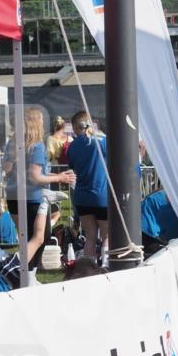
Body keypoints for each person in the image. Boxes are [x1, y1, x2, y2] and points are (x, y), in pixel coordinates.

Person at [4, 107, 76, 273]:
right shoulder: (36, 146)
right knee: (38, 238)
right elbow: (35, 177)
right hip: (32, 197)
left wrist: (56, 175)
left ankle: (26, 275)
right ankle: (17, 270)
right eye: (42, 120)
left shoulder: (13, 143)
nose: (45, 124)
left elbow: (9, 169)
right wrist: (59, 178)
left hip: (14, 195)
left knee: (26, 238)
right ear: (36, 123)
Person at [67, 111, 109, 260]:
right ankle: (105, 268)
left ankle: (89, 271)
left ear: (76, 127)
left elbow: (72, 165)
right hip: (101, 196)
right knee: (106, 236)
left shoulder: (72, 146)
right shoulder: (103, 141)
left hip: (82, 197)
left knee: (90, 237)